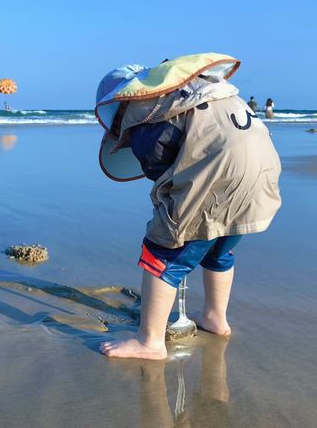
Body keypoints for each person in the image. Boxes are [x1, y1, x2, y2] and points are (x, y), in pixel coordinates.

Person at [94, 53, 282, 360]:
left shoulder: (145, 113)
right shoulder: (203, 89)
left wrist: (168, 211)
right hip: (263, 173)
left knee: (163, 251)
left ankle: (150, 341)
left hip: (217, 174)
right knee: (220, 245)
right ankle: (214, 317)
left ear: (122, 103)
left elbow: (159, 165)